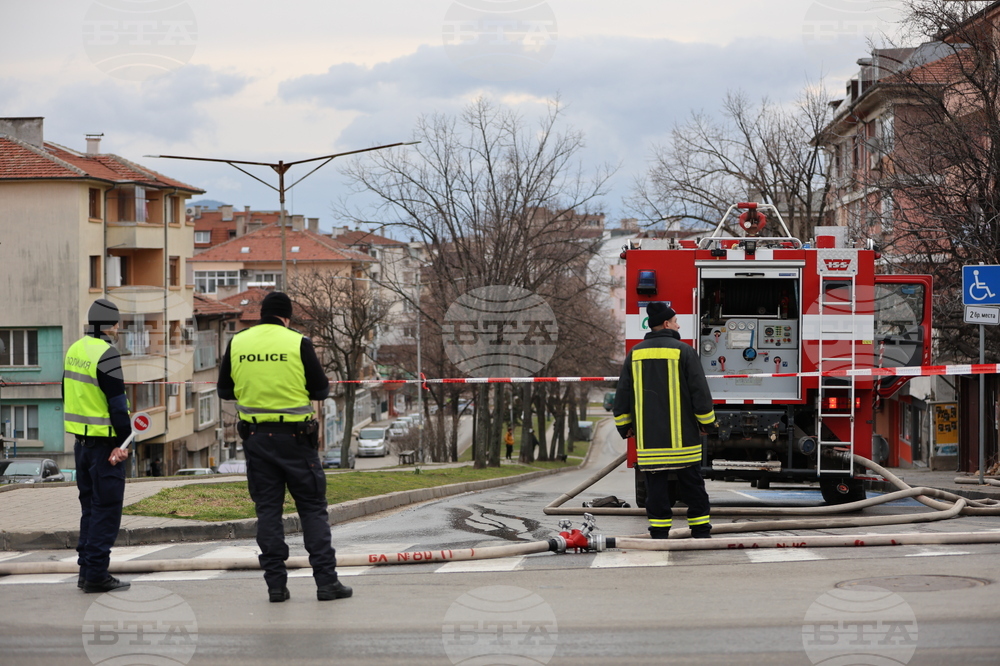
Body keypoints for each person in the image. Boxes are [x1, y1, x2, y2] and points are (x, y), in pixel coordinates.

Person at [217, 291, 351, 603]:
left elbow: (224, 391)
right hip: (296, 439)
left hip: (256, 439)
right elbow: (320, 389)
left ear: (262, 314)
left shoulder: (238, 342)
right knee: (312, 509)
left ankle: (276, 586)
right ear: (286, 317)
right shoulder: (298, 342)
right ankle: (326, 583)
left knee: (268, 512)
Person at [613, 302, 716, 539]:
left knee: (656, 488)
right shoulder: (684, 351)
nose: (679, 325)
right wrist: (707, 424)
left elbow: (623, 394)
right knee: (692, 485)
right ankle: (700, 530)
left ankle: (659, 531)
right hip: (684, 441)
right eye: (676, 320)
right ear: (667, 323)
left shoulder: (635, 353)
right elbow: (699, 392)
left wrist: (624, 426)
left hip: (650, 441)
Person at [64, 298, 132, 592]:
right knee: (106, 510)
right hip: (105, 448)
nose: (118, 328)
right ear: (109, 325)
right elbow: (118, 405)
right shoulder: (107, 353)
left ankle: (86, 571)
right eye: (116, 323)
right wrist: (123, 442)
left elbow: (65, 392)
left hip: (81, 445)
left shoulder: (74, 350)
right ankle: (97, 576)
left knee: (90, 509)